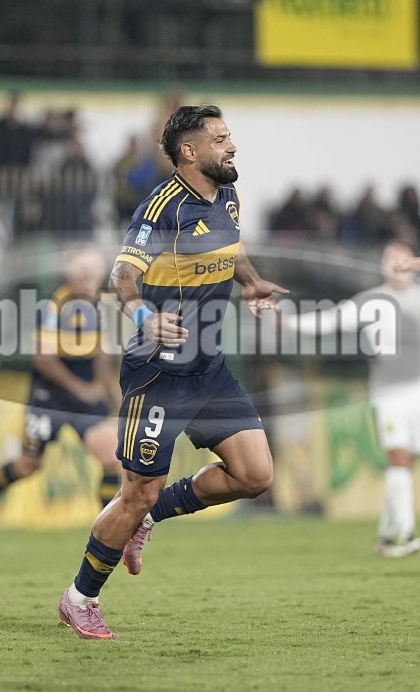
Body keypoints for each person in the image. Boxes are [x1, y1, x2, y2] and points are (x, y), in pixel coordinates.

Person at [58, 104, 289, 640]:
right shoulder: (161, 208)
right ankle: (80, 598)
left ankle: (151, 516)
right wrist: (145, 318)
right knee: (136, 491)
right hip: (157, 373)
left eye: (230, 136)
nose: (232, 146)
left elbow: (231, 246)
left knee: (255, 475)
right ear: (190, 152)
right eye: (221, 139)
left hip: (209, 368)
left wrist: (251, 281)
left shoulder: (227, 195)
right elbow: (122, 277)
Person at [0, 247, 121, 535]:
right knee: (29, 464)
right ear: (69, 273)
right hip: (48, 397)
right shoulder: (53, 305)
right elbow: (43, 358)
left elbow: (102, 354)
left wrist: (112, 392)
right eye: (83, 270)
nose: (88, 276)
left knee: (110, 456)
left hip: (85, 399)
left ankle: (111, 534)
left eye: (93, 270)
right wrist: (80, 388)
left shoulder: (101, 306)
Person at [283, 240, 420, 558]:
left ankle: (387, 536)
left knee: (405, 464)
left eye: (401, 259)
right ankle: (405, 534)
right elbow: (330, 321)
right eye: (389, 259)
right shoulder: (372, 301)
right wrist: (290, 322)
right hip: (389, 392)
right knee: (398, 459)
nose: (395, 265)